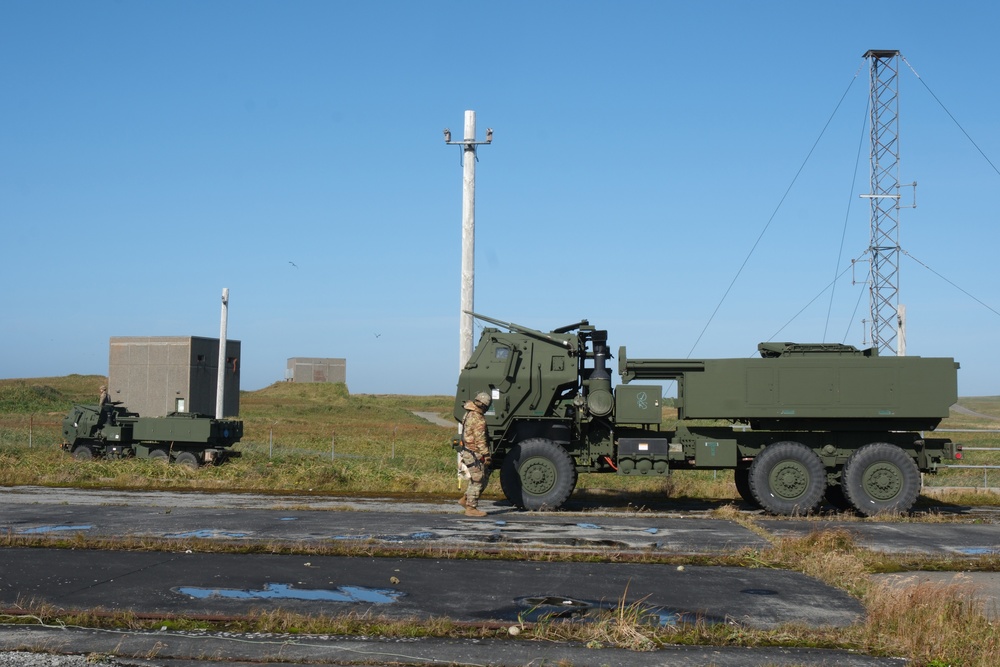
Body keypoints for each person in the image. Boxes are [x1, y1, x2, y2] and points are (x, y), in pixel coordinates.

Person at [458, 391, 492, 517]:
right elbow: (480, 440)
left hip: (467, 451)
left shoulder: (468, 414)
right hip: (475, 453)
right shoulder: (478, 419)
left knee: (478, 478)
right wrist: (486, 455)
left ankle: (466, 499)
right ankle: (471, 508)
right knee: (478, 480)